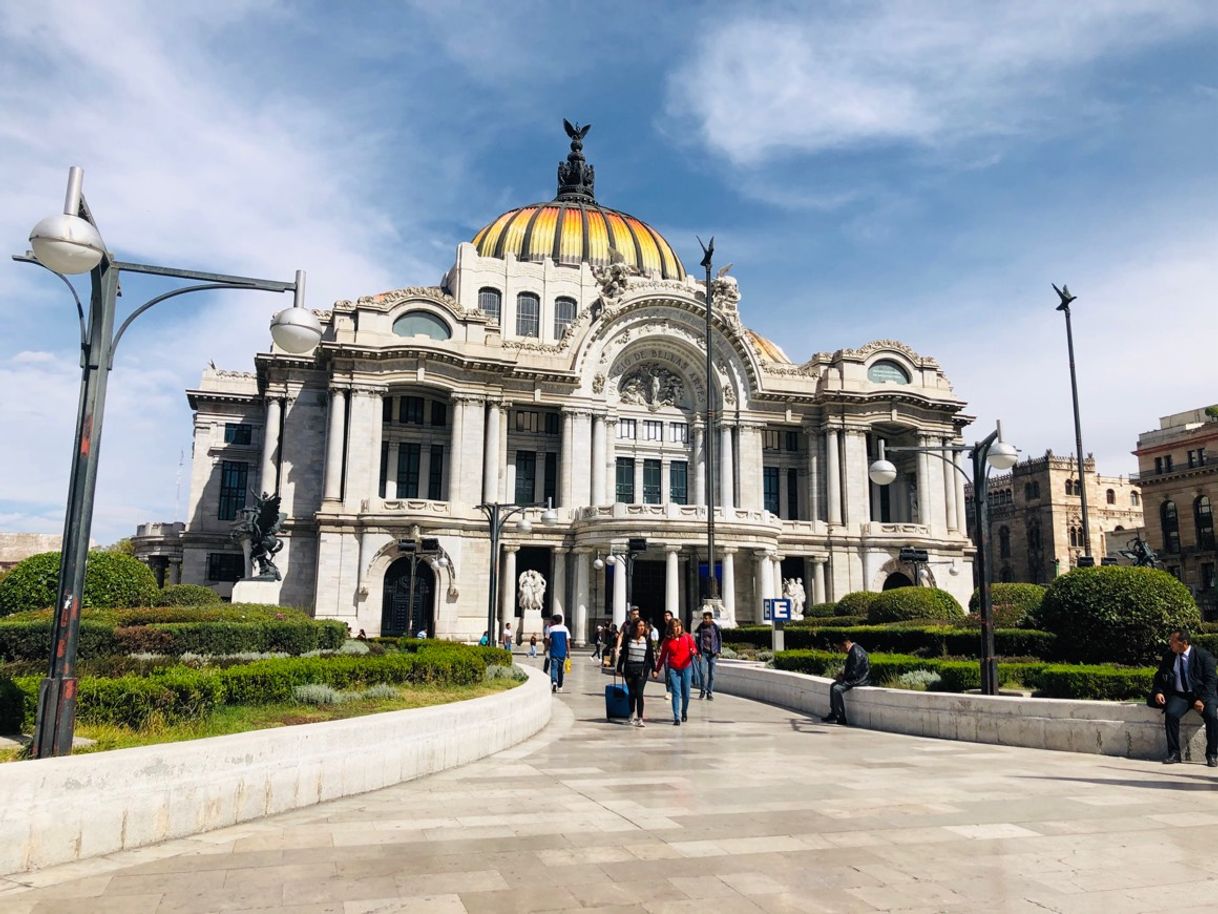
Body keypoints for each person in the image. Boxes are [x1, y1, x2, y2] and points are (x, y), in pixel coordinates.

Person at [1151, 628, 1218, 766]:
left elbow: (1211, 681)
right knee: (1171, 714)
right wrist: (1158, 691)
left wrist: (1202, 699)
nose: (1170, 644)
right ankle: (1174, 753)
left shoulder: (1204, 656)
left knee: (1212, 716)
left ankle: (1212, 754)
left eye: (1173, 641)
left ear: (1184, 643)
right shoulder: (1169, 656)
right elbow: (1159, 676)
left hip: (1203, 694)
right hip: (1181, 695)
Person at [657, 619, 699, 726]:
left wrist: (693, 652)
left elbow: (693, 648)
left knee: (686, 694)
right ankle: (676, 717)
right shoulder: (667, 641)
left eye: (679, 626)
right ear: (671, 628)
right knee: (676, 693)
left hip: (686, 667)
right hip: (674, 669)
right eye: (675, 626)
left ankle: (684, 711)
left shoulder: (686, 637)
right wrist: (656, 670)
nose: (677, 628)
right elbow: (662, 656)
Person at [823, 636, 870, 726]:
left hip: (859, 680)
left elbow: (854, 672)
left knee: (836, 689)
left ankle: (841, 718)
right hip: (856, 678)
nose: (840, 651)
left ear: (845, 645)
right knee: (833, 685)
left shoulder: (855, 652)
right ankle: (834, 714)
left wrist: (843, 677)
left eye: (840, 648)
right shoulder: (854, 650)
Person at [617, 617, 654, 727]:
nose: (642, 628)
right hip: (629, 669)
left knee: (639, 693)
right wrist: (619, 668)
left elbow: (650, 655)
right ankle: (631, 714)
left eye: (643, 626)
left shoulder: (647, 639)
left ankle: (640, 718)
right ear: (635, 627)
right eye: (639, 626)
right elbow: (623, 654)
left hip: (642, 670)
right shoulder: (628, 638)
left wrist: (654, 669)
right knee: (632, 693)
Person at [694, 610, 723, 700]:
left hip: (712, 653)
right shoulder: (700, 627)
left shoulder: (715, 627)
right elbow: (697, 640)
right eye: (704, 618)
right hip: (703, 653)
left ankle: (709, 693)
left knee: (712, 675)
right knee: (702, 673)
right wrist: (698, 652)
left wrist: (718, 651)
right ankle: (702, 690)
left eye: (707, 618)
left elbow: (719, 639)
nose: (705, 620)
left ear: (710, 619)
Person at [545, 613, 571, 693]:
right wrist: (568, 652)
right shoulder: (565, 628)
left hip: (554, 651)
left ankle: (554, 682)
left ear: (554, 621)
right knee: (560, 669)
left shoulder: (551, 629)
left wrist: (545, 648)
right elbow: (567, 641)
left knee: (553, 667)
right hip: (562, 652)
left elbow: (547, 640)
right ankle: (560, 686)